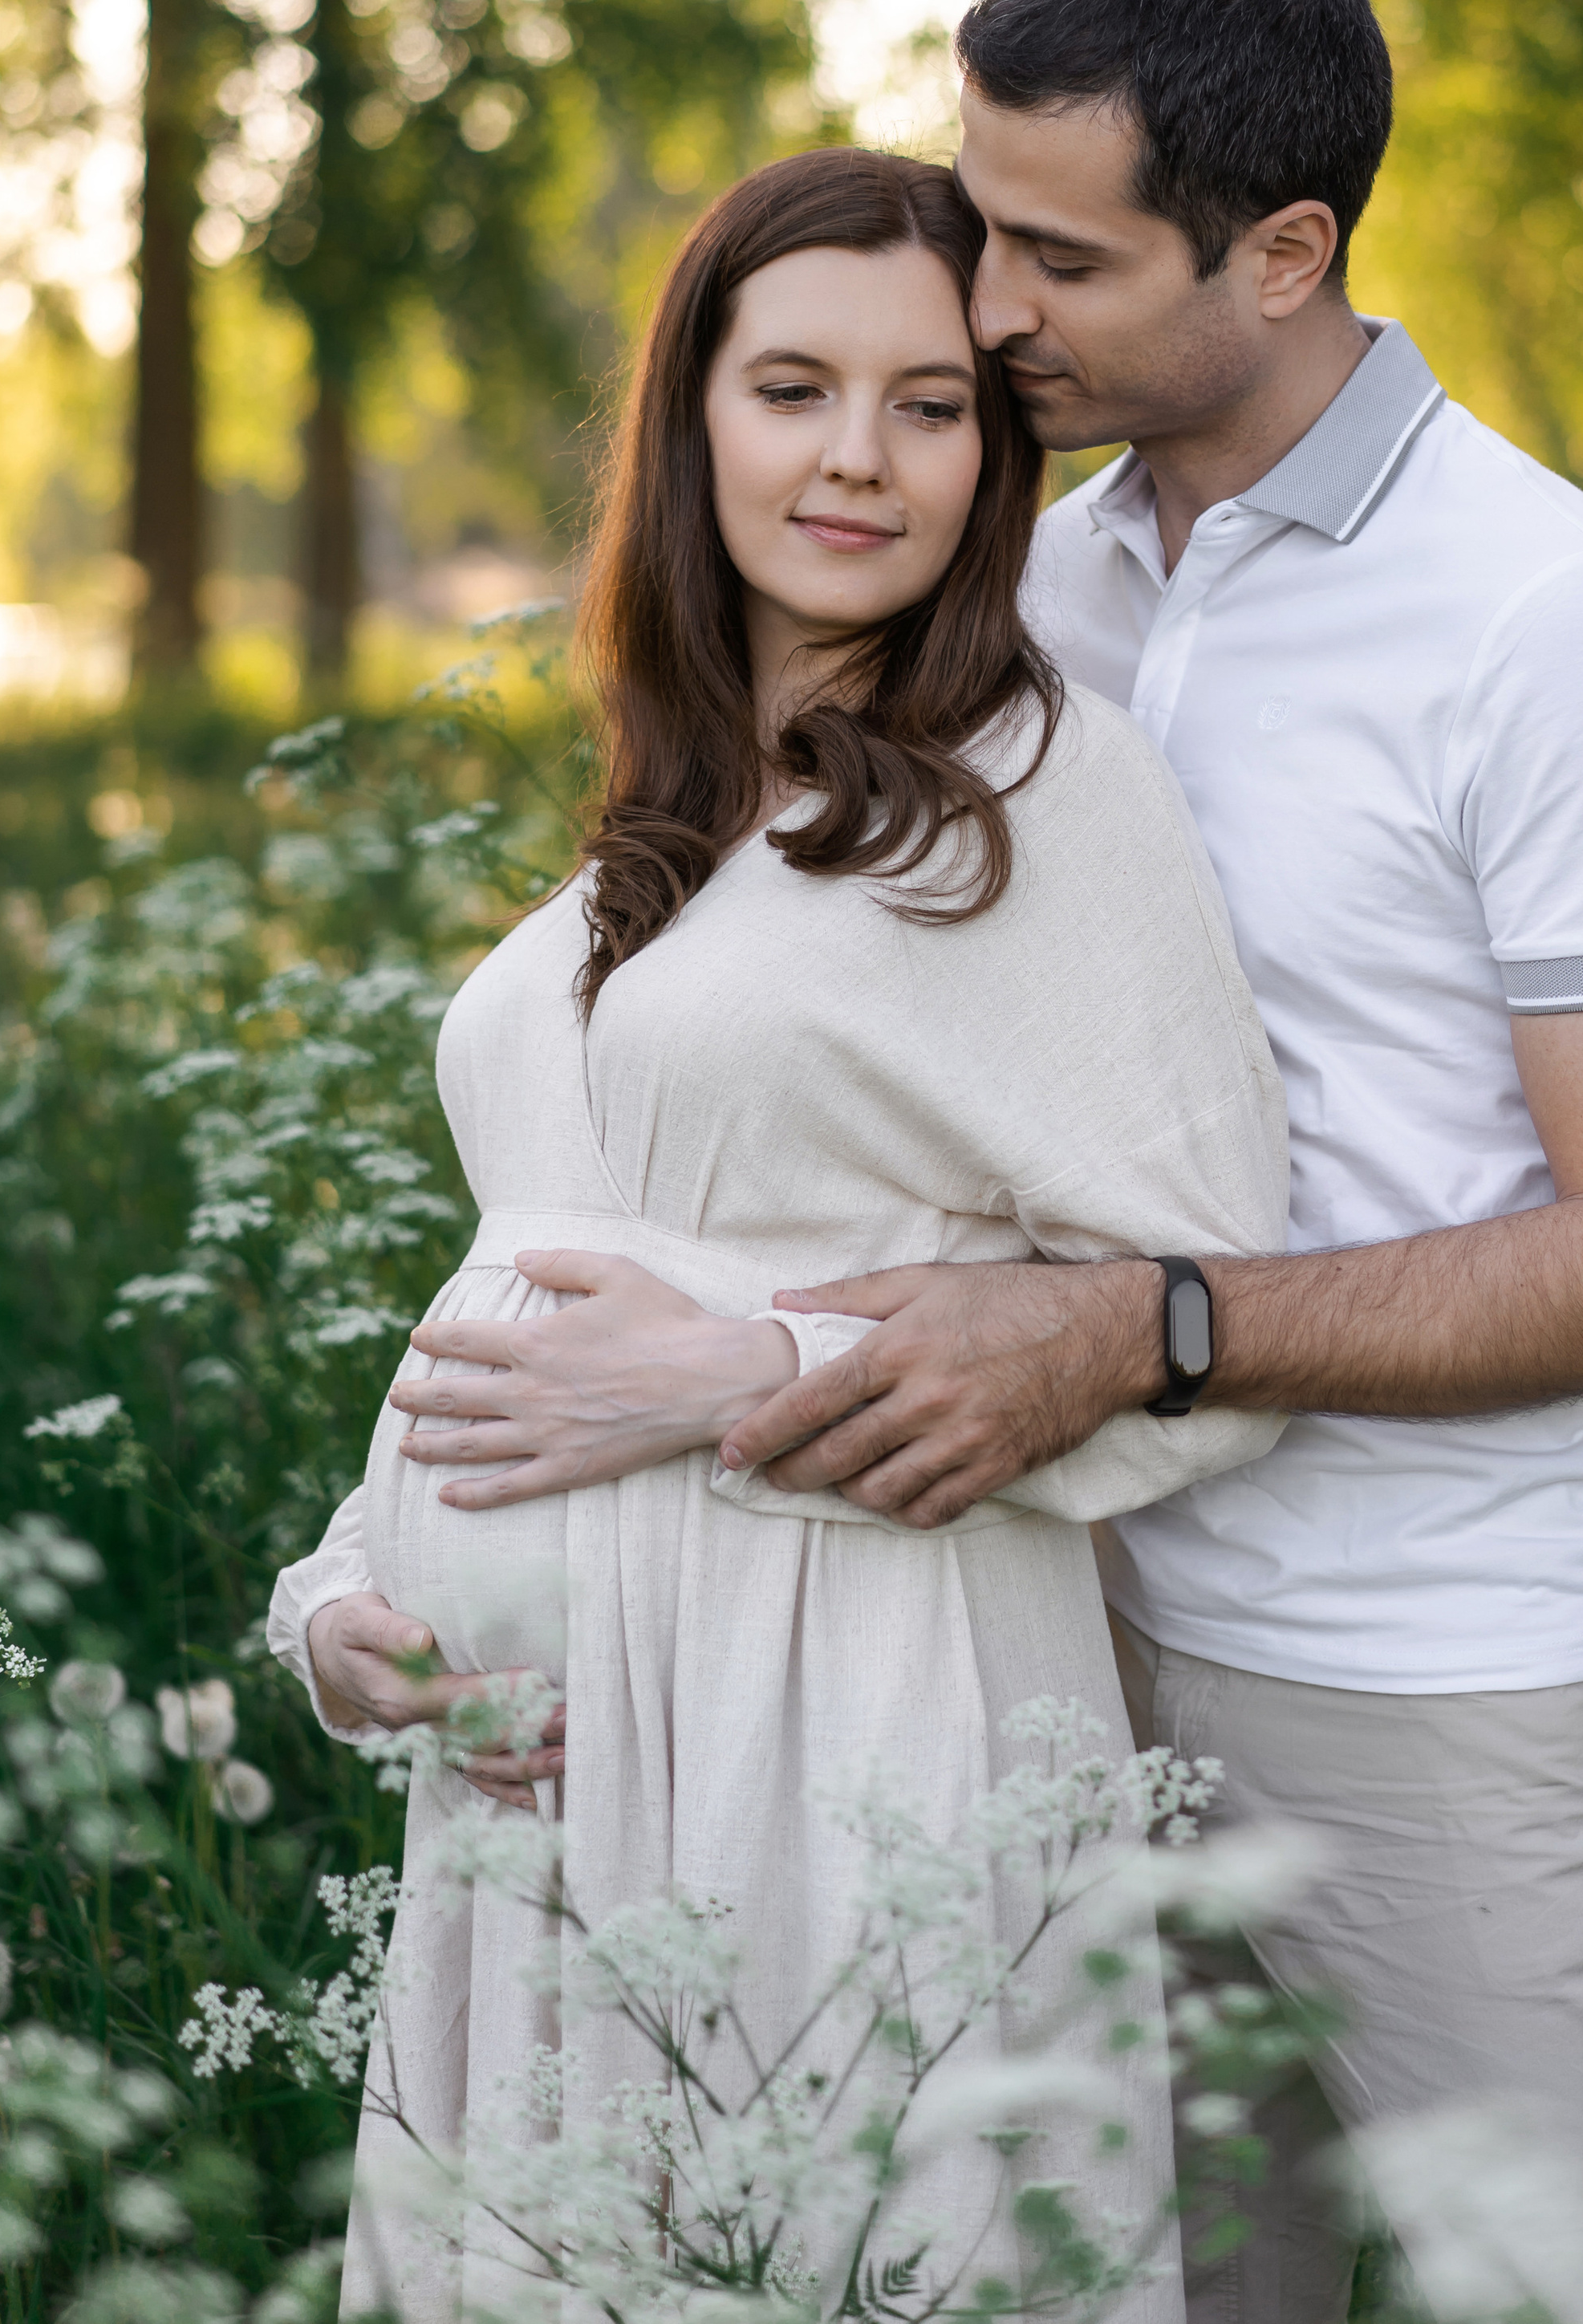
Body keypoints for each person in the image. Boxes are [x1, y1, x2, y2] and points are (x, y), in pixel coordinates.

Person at [385, 0, 1583, 2321]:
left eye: (1053, 255)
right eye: (975, 217)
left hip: (1428, 1680)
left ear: (1286, 249)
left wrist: (1146, 1331)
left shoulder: (1547, 622)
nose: (983, 313)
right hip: (1028, 1641)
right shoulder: (1046, 571)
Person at [266, 145, 1291, 2322]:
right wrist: (355, 1613)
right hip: (529, 1803)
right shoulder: (674, 801)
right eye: (794, 386)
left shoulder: (1039, 787)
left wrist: (762, 1380)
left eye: (931, 405)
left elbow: (1209, 1318)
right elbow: (532, 1270)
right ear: (690, 417)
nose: (859, 457)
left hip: (844, 1727)